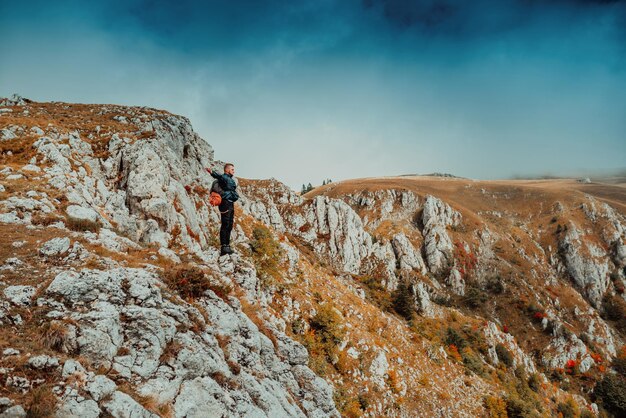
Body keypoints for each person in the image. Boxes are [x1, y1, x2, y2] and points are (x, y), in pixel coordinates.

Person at [206, 163, 239, 256]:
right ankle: (224, 247)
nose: (234, 171)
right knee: (225, 224)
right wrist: (211, 172)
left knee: (230, 225)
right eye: (232, 169)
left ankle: (227, 246)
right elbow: (218, 176)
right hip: (225, 203)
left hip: (230, 203)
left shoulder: (229, 179)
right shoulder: (224, 178)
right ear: (227, 170)